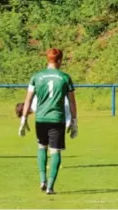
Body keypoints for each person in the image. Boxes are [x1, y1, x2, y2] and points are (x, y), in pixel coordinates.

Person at [19, 48, 78, 195]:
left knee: (41, 147)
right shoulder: (65, 77)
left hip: (41, 119)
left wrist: (24, 119)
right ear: (60, 60)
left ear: (48, 59)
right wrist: (74, 121)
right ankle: (50, 186)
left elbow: (28, 100)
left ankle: (42, 180)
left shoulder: (36, 77)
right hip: (57, 119)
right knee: (55, 151)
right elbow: (72, 102)